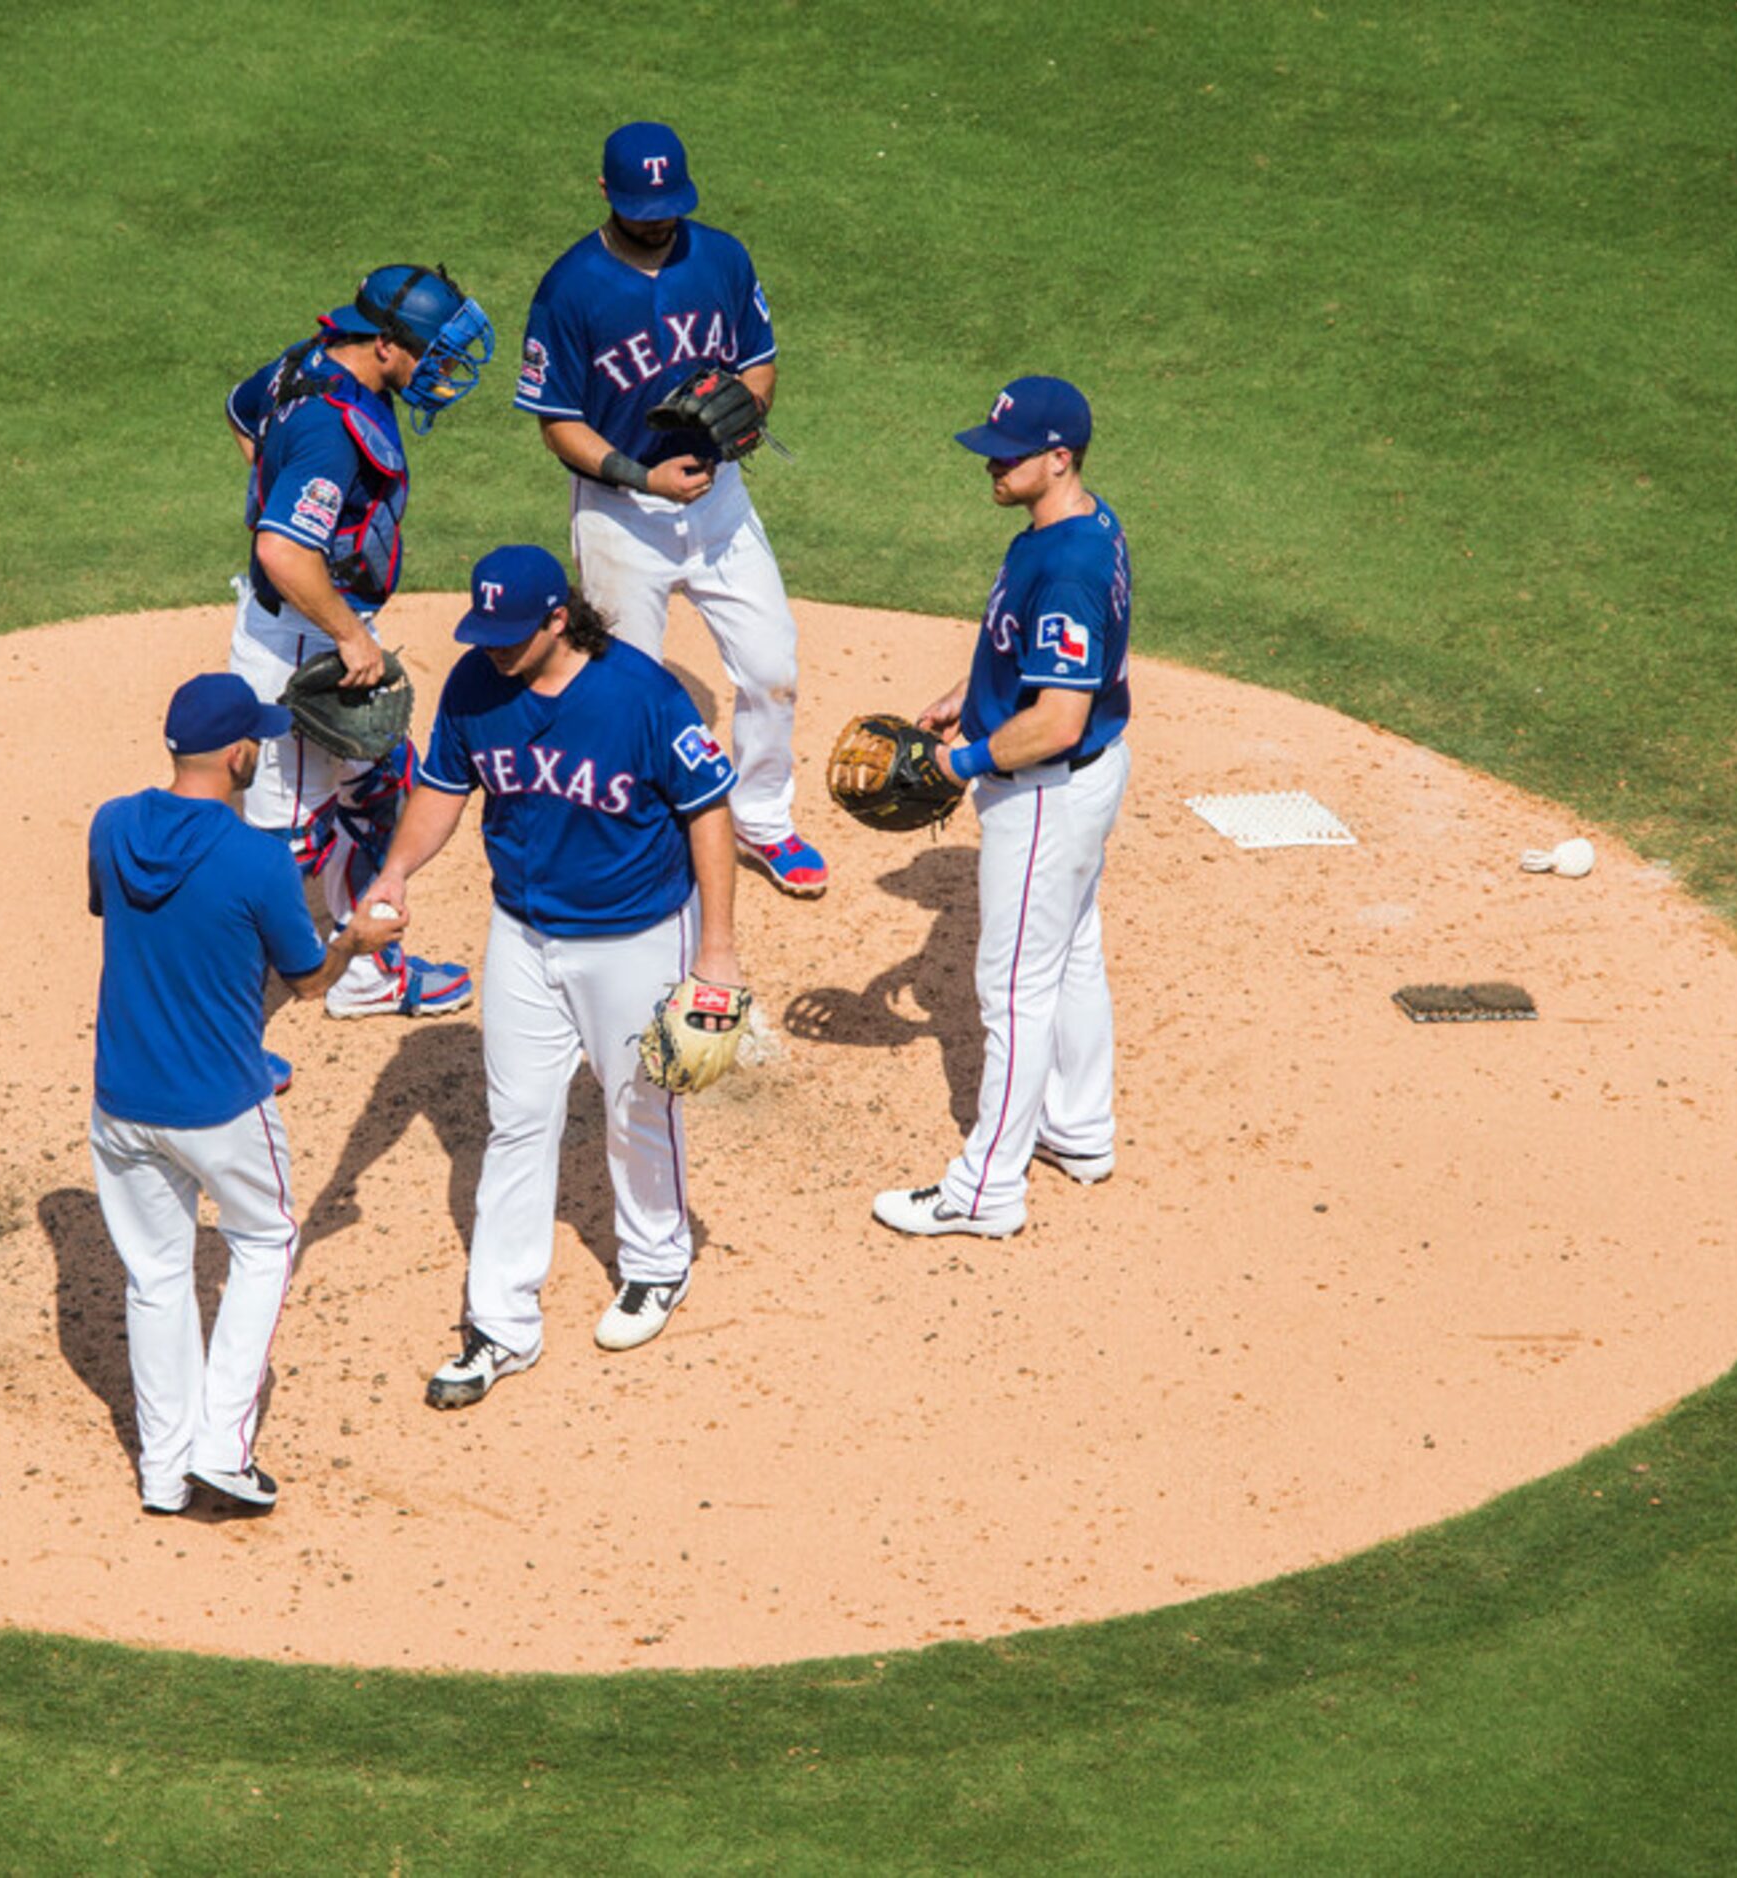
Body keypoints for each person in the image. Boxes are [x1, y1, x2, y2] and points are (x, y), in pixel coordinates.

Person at [367, 546, 745, 1409]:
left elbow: (708, 811)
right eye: (485, 633)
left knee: (636, 1103)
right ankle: (500, 1326)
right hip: (523, 932)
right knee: (517, 1120)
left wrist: (716, 948)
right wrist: (396, 871)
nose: (493, 650)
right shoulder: (474, 685)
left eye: (510, 635)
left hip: (637, 932)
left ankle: (658, 1263)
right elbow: (441, 788)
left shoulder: (642, 695)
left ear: (557, 619)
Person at [87, 673, 408, 1514]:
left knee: (156, 1278)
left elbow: (120, 910)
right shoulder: (257, 856)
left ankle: (163, 1476)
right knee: (265, 1244)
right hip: (222, 1105)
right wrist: (355, 938)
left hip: (121, 1102)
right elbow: (307, 986)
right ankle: (222, 1447)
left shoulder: (112, 825)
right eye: (256, 743)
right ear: (236, 755)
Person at [513, 122, 828, 901]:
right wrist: (641, 477)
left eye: (667, 203)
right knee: (624, 687)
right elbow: (557, 422)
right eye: (639, 204)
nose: (656, 218)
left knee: (771, 667)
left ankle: (760, 815)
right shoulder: (570, 286)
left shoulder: (720, 257)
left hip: (720, 506)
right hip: (622, 518)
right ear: (604, 192)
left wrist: (746, 411)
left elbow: (756, 359)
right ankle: (643, 826)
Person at [874, 376, 1134, 1240]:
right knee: (1072, 953)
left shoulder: (1068, 566)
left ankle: (985, 1190)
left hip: (1045, 794)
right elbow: (1035, 658)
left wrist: (964, 762)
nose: (990, 467)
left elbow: (1057, 720)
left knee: (1013, 988)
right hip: (1084, 779)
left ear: (1059, 459)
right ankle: (1080, 1129)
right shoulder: (1079, 523)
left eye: (1008, 455)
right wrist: (970, 692)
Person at [225, 264, 494, 1021]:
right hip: (307, 642)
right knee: (287, 827)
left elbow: (245, 418)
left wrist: (271, 483)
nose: (442, 370)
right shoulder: (329, 430)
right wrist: (349, 636)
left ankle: (344, 947)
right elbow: (284, 551)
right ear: (383, 344)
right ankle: (256, 1006)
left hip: (314, 623)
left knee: (373, 785)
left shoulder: (300, 364)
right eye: (430, 353)